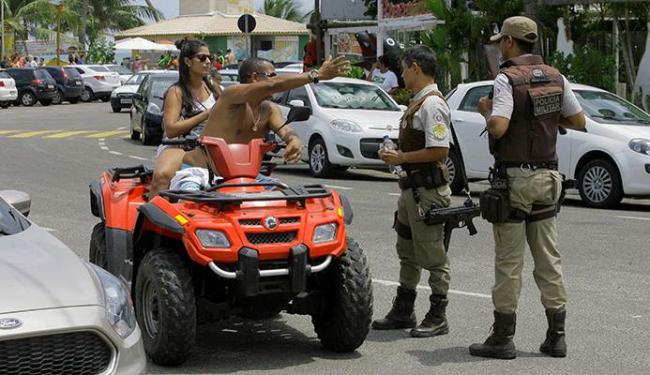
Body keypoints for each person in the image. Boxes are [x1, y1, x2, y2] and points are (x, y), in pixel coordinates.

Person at [468, 16, 585, 360]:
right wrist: (541, 117)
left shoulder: (506, 79)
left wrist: (487, 112)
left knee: (509, 263)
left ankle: (503, 339)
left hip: (515, 180)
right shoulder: (555, 77)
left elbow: (500, 128)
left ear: (508, 43)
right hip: (549, 178)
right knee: (549, 259)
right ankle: (557, 337)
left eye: (500, 40)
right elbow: (578, 120)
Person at [371, 45, 453, 338]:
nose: (402, 74)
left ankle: (438, 314)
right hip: (411, 191)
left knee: (433, 256)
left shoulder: (432, 105)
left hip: (427, 192)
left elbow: (440, 150)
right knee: (407, 251)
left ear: (416, 68)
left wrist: (402, 158)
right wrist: (396, 152)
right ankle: (404, 310)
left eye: (405, 69)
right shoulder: (417, 103)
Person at [181, 56, 350, 176]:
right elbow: (272, 85)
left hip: (243, 179)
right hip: (200, 173)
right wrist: (315, 74)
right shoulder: (231, 96)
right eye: (273, 75)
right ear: (255, 78)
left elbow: (286, 132)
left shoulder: (268, 109)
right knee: (187, 211)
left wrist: (294, 141)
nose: (278, 80)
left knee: (283, 204)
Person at [148, 39, 222, 198]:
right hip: (179, 145)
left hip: (210, 146)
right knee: (162, 176)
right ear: (188, 61)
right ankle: (153, 219)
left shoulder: (214, 88)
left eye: (210, 57)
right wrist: (207, 114)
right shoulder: (176, 92)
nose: (208, 62)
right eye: (202, 58)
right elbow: (171, 129)